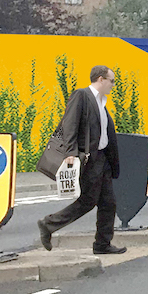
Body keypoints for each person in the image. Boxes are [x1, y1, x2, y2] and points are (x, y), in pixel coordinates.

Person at [37, 64, 126, 256]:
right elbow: (70, 123)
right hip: (89, 159)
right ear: (100, 79)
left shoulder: (101, 102)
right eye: (112, 81)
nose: (113, 85)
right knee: (88, 201)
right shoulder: (82, 95)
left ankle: (102, 244)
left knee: (108, 203)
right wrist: (70, 151)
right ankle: (48, 224)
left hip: (103, 160)